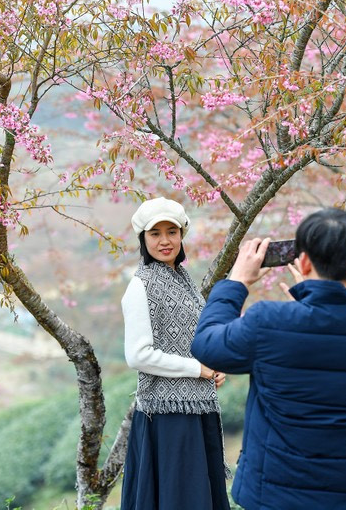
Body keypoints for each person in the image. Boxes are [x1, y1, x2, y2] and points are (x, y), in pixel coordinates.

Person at [191, 208, 346, 510]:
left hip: (277, 496)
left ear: (303, 261)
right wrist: (302, 317)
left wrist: (236, 282)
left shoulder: (269, 321)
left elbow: (206, 345)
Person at [119, 197, 230, 510]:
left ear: (182, 234)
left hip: (196, 409)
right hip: (168, 418)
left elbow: (190, 339)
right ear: (143, 238)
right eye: (155, 234)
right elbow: (138, 355)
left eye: (172, 231)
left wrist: (214, 365)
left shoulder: (184, 280)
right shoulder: (140, 286)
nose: (165, 241)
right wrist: (199, 370)